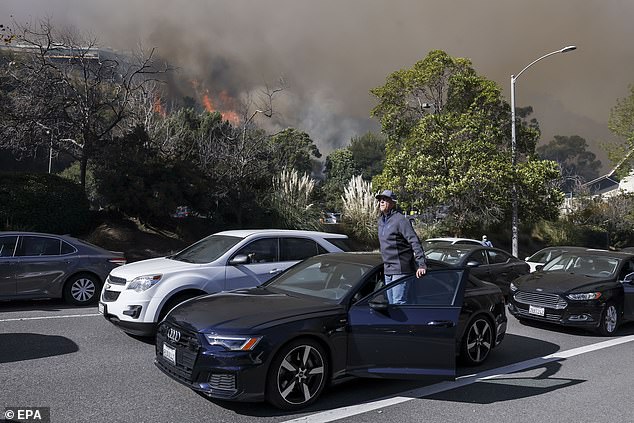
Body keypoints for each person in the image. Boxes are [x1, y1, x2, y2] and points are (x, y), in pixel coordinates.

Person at [375, 189, 427, 304]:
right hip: (387, 270)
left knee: (398, 304)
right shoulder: (381, 221)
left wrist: (421, 264)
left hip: (400, 270)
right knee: (390, 303)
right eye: (380, 200)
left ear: (393, 203)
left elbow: (415, 242)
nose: (382, 202)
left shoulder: (400, 220)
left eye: (385, 199)